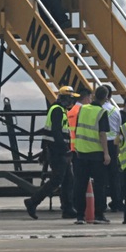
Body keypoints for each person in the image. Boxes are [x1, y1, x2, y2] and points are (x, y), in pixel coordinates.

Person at [24, 86, 78, 220]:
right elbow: (55, 132)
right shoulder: (57, 110)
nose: (73, 102)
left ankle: (67, 208)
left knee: (68, 180)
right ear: (65, 98)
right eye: (71, 98)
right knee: (57, 180)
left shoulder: (61, 110)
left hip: (59, 150)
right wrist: (65, 149)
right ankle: (33, 201)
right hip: (58, 151)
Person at [73, 86, 111, 224]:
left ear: (94, 95)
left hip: (81, 152)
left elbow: (77, 128)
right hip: (96, 154)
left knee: (80, 185)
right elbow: (102, 134)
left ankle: (80, 216)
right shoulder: (101, 112)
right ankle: (99, 215)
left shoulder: (83, 109)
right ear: (106, 98)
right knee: (99, 186)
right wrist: (106, 153)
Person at [102, 86, 123, 212]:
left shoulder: (96, 109)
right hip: (113, 144)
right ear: (109, 96)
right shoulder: (115, 110)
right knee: (114, 175)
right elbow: (118, 128)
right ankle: (117, 202)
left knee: (101, 176)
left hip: (100, 143)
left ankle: (101, 203)